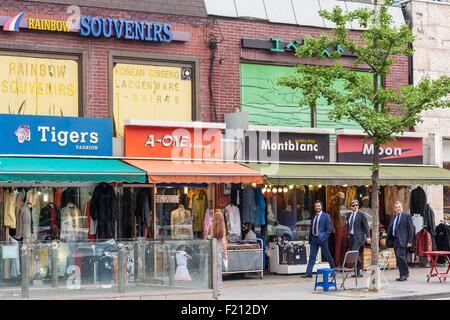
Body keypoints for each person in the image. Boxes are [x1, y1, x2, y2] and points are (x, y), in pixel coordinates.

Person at [302, 200, 335, 278]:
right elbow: (312, 228)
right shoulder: (313, 216)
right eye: (316, 206)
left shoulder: (326, 216)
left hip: (322, 240)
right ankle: (308, 273)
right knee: (312, 256)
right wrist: (310, 239)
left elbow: (329, 229)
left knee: (327, 256)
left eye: (318, 206)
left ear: (321, 207)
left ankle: (333, 271)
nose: (317, 207)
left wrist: (324, 238)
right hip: (314, 239)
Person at [386, 201, 414, 281]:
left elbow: (411, 229)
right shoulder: (393, 217)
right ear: (394, 209)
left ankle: (405, 273)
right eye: (396, 207)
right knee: (398, 258)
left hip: (403, 240)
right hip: (395, 240)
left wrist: (410, 241)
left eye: (399, 207)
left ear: (402, 208)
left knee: (400, 255)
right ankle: (402, 274)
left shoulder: (407, 216)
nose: (398, 208)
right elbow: (391, 228)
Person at [206, 209, 228, 295]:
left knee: (211, 269)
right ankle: (218, 289)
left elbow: (207, 236)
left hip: (211, 249)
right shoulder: (222, 229)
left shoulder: (211, 226)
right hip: (218, 251)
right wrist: (225, 254)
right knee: (218, 270)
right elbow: (223, 243)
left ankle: (211, 287)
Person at [347, 199, 371, 277]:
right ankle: (357, 272)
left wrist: (368, 236)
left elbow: (366, 226)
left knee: (354, 253)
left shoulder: (361, 215)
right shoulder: (349, 215)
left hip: (358, 237)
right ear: (351, 207)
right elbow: (348, 226)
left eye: (356, 205)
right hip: (351, 237)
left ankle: (359, 271)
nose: (355, 207)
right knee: (355, 254)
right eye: (353, 205)